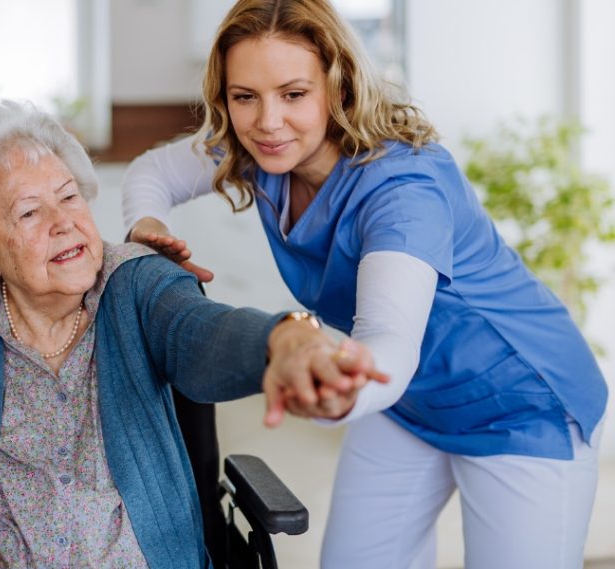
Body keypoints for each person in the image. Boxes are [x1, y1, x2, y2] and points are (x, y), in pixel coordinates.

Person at [0, 100, 383, 569]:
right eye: (30, 213)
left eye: (69, 197)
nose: (65, 224)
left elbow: (204, 333)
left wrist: (285, 340)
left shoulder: (137, 285)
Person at [120, 1, 609, 568]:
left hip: (520, 405)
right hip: (410, 406)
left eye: (294, 94)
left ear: (340, 87)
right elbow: (152, 173)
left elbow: (388, 343)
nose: (268, 120)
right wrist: (147, 227)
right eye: (244, 96)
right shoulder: (261, 150)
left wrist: (332, 387)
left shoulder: (404, 192)